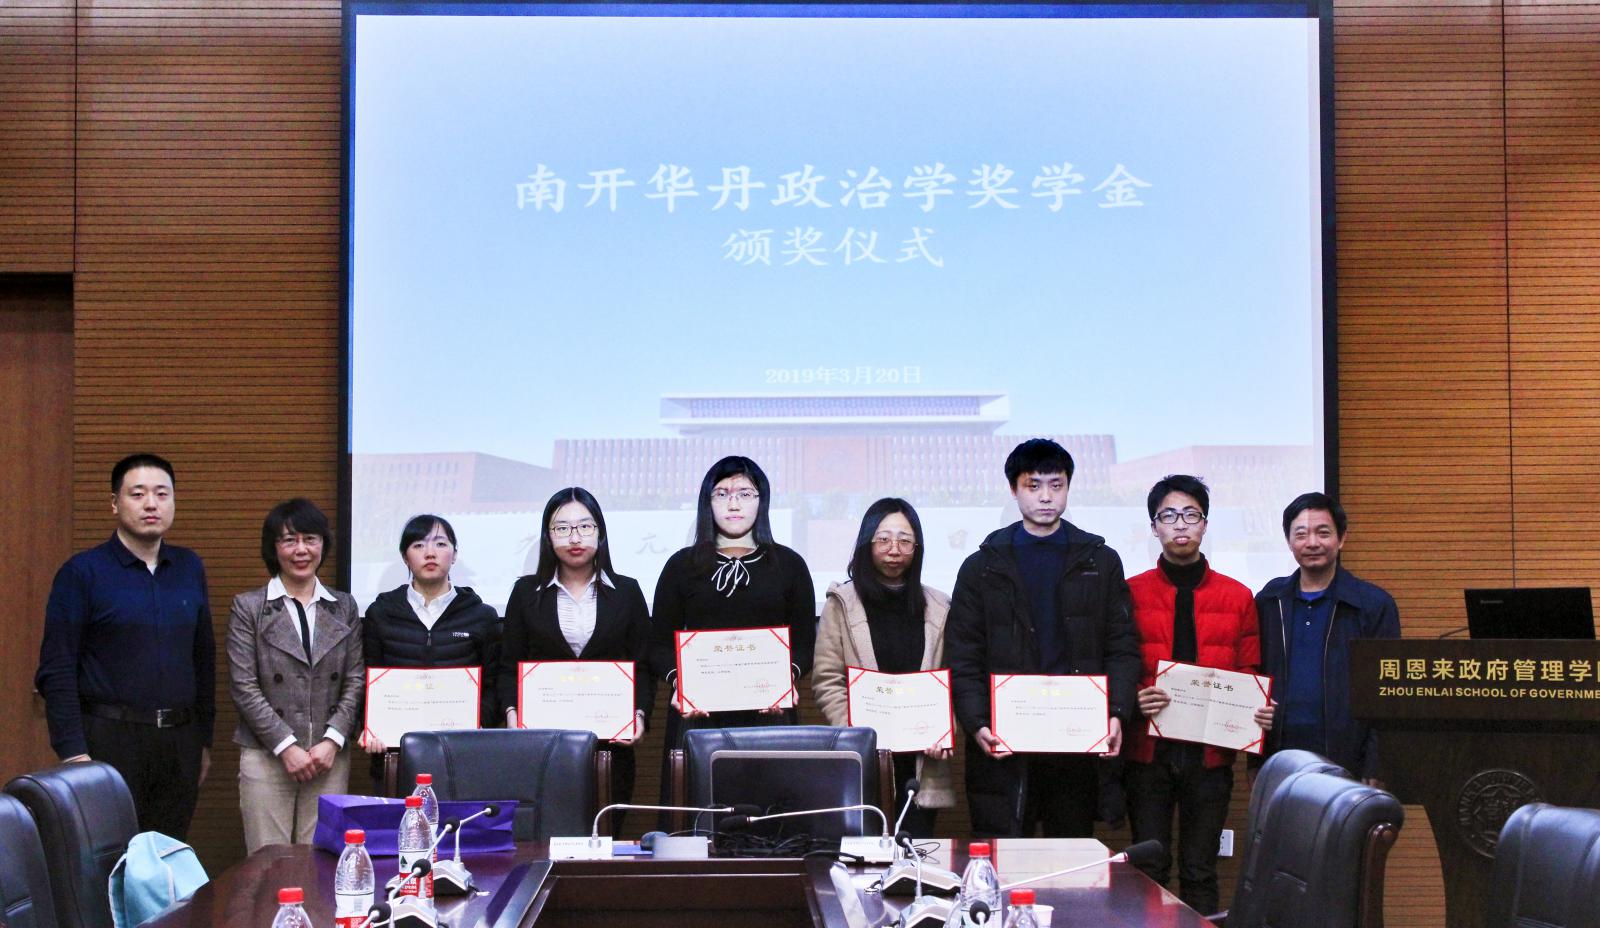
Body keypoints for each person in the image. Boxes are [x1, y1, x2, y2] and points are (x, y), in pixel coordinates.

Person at [944, 438, 1141, 838]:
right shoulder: (981, 567)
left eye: (1057, 485)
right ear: (1014, 489)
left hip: (1075, 736)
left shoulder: (1100, 561)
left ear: (1068, 487)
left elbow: (1121, 646)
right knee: (1003, 853)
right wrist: (977, 723)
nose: (1046, 497)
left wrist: (1117, 712)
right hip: (1003, 737)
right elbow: (964, 656)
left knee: (1069, 855)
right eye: (1033, 486)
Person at [34, 453, 215, 839]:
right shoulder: (82, 573)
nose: (151, 504)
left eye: (162, 494)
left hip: (179, 743)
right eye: (138, 494)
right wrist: (73, 754)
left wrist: (204, 742)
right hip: (109, 742)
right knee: (109, 858)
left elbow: (203, 659)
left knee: (166, 857)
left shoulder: (189, 567)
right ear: (114, 503)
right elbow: (57, 668)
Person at [1122, 475, 1274, 914]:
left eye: (1191, 514)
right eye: (1169, 515)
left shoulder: (1237, 596)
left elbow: (1248, 670)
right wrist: (1135, 696)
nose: (1180, 524)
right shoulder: (1130, 592)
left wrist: (1256, 710)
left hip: (1209, 756)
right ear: (1154, 527)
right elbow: (1117, 662)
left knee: (1200, 870)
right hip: (1147, 753)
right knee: (1149, 869)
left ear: (1205, 524)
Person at [650, 456, 817, 801]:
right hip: (698, 716)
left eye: (745, 493)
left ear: (761, 501)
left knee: (770, 817)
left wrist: (786, 678)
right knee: (697, 816)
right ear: (707, 502)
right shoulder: (681, 566)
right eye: (722, 493)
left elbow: (805, 643)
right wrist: (680, 682)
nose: (734, 503)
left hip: (769, 714)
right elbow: (658, 645)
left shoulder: (789, 565)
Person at [498, 488, 653, 836]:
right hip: (544, 746)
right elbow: (509, 666)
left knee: (605, 836)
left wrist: (640, 715)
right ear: (548, 536)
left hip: (611, 748)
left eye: (585, 526)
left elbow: (641, 665)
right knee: (546, 838)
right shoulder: (525, 593)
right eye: (562, 528)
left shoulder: (627, 592)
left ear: (600, 532)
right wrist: (512, 716)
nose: (574, 538)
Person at [227, 499, 364, 852]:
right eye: (289, 540)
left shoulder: (344, 607)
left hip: (327, 758)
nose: (301, 549)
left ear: (323, 544)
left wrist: (332, 740)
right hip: (267, 754)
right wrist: (286, 746)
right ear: (273, 548)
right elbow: (244, 686)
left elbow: (355, 679)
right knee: (266, 862)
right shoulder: (249, 608)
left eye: (310, 539)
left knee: (321, 862)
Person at [811, 498, 954, 837]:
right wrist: (855, 734)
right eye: (883, 539)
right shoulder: (841, 604)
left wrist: (943, 730)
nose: (894, 549)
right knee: (862, 859)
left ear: (917, 548)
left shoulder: (939, 606)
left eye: (905, 540)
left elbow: (952, 680)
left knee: (916, 856)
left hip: (920, 762)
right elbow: (827, 680)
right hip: (865, 756)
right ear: (867, 543)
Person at [1256, 492, 1400, 784]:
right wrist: (1255, 760)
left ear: (1341, 538)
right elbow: (1255, 678)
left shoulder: (1373, 604)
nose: (1312, 543)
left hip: (1349, 759)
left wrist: (1376, 766)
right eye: (1301, 534)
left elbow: (1387, 693)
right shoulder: (1269, 601)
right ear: (1288, 541)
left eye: (1323, 533)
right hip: (1280, 757)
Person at [361, 515, 502, 766]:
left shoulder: (481, 616)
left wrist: (480, 724)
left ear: (454, 554)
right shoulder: (381, 613)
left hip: (463, 753)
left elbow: (492, 684)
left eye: (440, 544)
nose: (430, 553)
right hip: (395, 754)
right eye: (418, 545)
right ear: (405, 557)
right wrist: (369, 726)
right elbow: (366, 678)